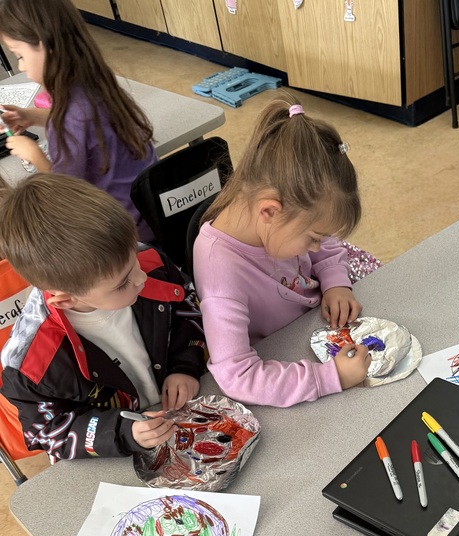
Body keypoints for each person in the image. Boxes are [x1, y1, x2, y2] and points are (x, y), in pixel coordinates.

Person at [0, 175, 205, 462]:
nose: (141, 278)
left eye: (134, 257)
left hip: (182, 413)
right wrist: (123, 431)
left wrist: (185, 366)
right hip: (115, 453)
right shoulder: (33, 363)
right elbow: (48, 432)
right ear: (67, 299)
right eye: (122, 283)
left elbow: (188, 311)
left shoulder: (145, 262)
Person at [193, 97, 372, 408]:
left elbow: (327, 241)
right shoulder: (221, 274)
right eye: (312, 238)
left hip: (313, 327)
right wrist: (330, 379)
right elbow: (237, 375)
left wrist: (335, 280)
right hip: (289, 359)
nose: (317, 246)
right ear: (270, 211)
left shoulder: (270, 210)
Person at [0, 0, 156, 240]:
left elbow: (64, 196)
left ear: (44, 46)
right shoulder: (96, 85)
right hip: (150, 214)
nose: (20, 66)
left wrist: (33, 154)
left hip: (122, 234)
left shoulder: (70, 119)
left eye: (19, 55)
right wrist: (32, 116)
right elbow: (84, 122)